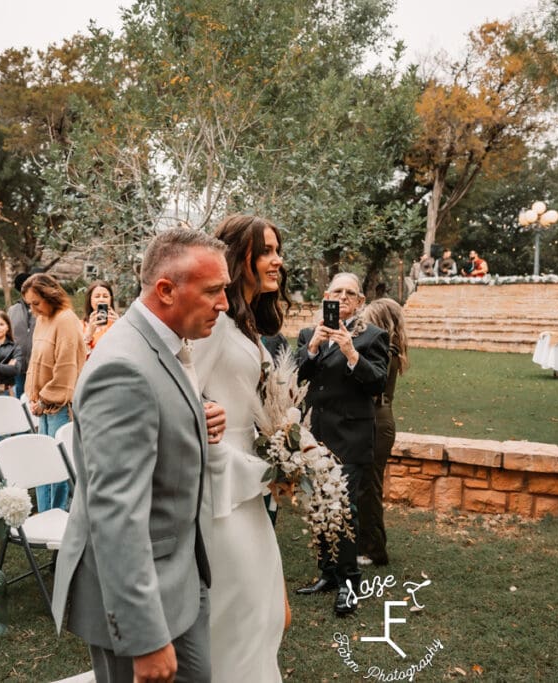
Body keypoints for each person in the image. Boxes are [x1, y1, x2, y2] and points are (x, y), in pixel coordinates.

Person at [51, 228, 228, 683]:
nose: (224, 304)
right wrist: (144, 637)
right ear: (166, 290)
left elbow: (157, 416)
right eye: (214, 291)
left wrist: (195, 419)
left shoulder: (161, 345)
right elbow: (116, 511)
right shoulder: (122, 366)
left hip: (178, 573)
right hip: (138, 592)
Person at [191, 214, 289, 680]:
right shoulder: (217, 323)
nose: (277, 261)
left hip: (252, 483)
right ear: (239, 257)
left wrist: (288, 453)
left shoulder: (249, 326)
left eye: (277, 250)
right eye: (266, 251)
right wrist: (207, 416)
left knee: (268, 610)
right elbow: (184, 393)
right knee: (241, 610)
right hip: (222, 487)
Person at [295, 273, 388, 616]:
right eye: (338, 291)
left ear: (361, 301)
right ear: (326, 296)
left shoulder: (373, 337)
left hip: (351, 438)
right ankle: (328, 574)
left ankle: (350, 584)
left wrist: (350, 351)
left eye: (351, 293)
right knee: (320, 506)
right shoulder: (308, 334)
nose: (344, 297)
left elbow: (377, 382)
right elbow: (297, 377)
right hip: (315, 436)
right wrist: (314, 347)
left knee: (344, 511)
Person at [22, 273, 86, 512]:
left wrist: (46, 398)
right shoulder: (42, 319)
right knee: (43, 461)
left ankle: (59, 514)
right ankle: (46, 512)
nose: (33, 309)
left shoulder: (66, 319)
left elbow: (65, 368)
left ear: (51, 296)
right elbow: (36, 361)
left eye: (36, 303)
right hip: (42, 404)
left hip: (60, 404)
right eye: (29, 304)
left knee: (59, 464)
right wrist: (33, 395)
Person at [358, 297, 410, 568]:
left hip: (378, 422)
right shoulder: (388, 349)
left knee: (369, 487)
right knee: (365, 485)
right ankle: (364, 541)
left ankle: (375, 549)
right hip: (378, 420)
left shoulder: (385, 351)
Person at [7, 272, 36, 398]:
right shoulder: (13, 310)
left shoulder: (43, 310)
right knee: (20, 395)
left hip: (37, 364)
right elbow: (7, 335)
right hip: (18, 364)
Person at [80, 280, 120, 357]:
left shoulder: (118, 323)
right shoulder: (80, 325)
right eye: (97, 296)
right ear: (90, 299)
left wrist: (120, 327)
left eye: (105, 296)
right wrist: (89, 334)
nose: (101, 299)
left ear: (110, 299)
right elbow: (76, 357)